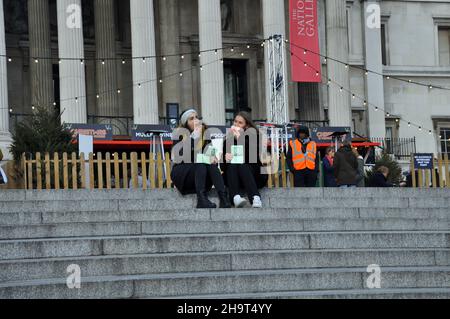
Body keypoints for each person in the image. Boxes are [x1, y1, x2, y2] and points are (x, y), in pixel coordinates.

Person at [170, 109, 231, 209]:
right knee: (201, 162)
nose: (196, 120)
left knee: (210, 165)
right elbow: (179, 157)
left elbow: (209, 153)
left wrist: (213, 158)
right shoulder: (179, 134)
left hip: (201, 176)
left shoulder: (205, 134)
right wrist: (193, 137)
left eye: (196, 117)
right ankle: (201, 199)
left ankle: (223, 198)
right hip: (183, 174)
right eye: (191, 118)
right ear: (186, 123)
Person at [221, 112, 268, 208]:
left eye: (240, 123)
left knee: (242, 164)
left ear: (246, 126)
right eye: (235, 122)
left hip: (253, 175)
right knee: (233, 164)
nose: (236, 125)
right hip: (234, 177)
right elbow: (223, 167)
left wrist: (240, 139)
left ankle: (255, 197)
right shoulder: (228, 141)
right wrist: (225, 159)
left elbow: (253, 158)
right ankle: (235, 197)